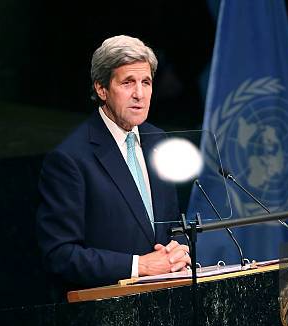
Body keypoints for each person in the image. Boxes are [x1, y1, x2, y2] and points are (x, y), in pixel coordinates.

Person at [36, 35, 190, 288]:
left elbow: (172, 224)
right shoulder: (69, 159)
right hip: (107, 311)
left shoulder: (158, 140)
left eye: (146, 82)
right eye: (128, 83)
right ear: (101, 89)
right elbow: (60, 255)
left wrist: (179, 249)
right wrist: (139, 266)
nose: (139, 94)